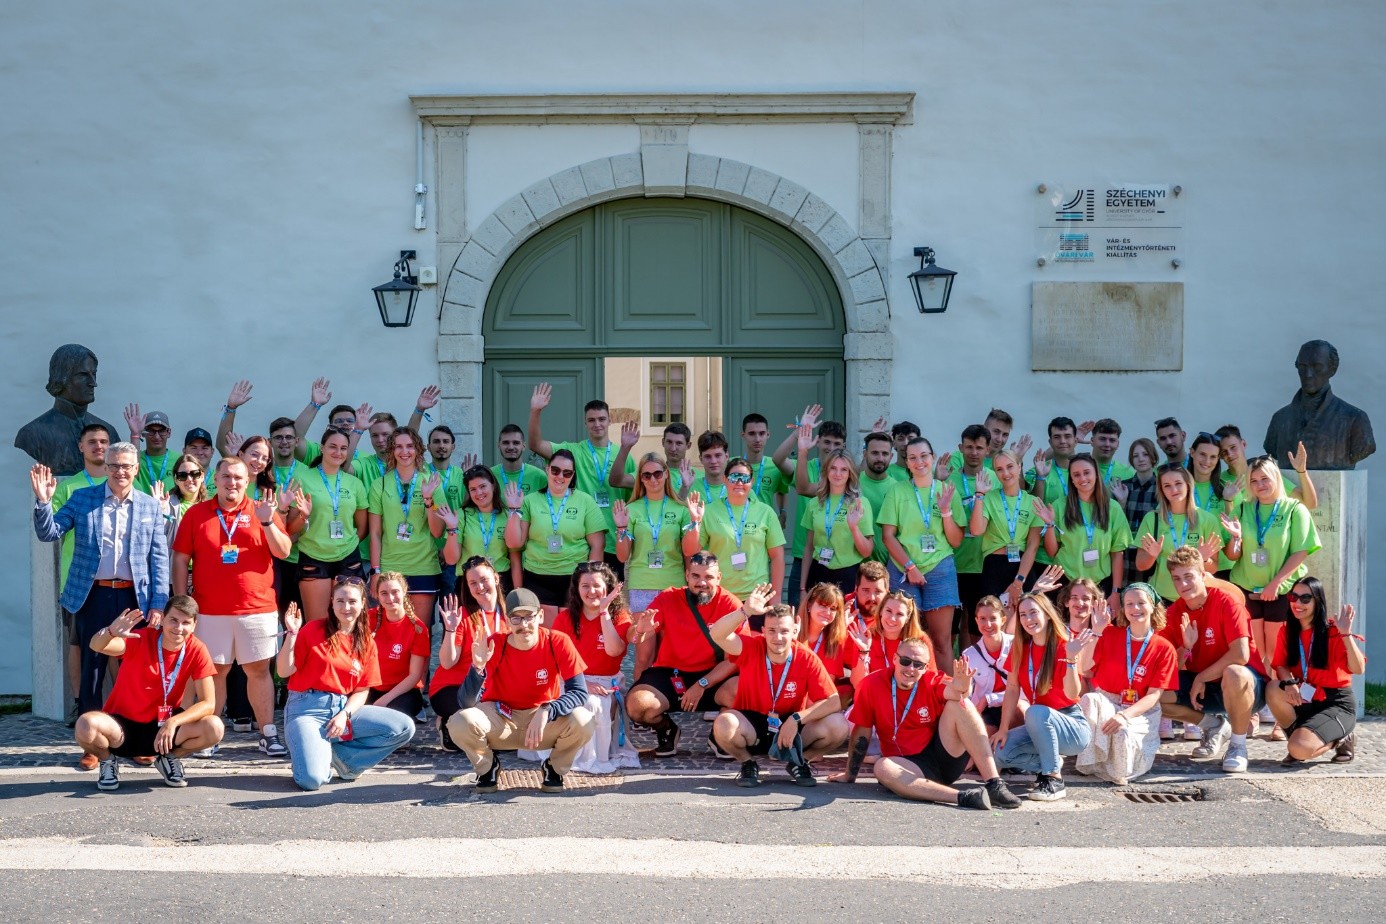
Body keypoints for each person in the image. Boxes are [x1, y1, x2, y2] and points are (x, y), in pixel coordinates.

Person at [32, 443, 169, 769]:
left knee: (135, 672)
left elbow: (159, 558)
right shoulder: (83, 499)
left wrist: (159, 603)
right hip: (93, 596)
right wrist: (43, 502)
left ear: (136, 469)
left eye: (127, 466)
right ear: (105, 467)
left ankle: (137, 740)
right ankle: (92, 744)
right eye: (114, 465)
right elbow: (49, 533)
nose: (121, 471)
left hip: (134, 599)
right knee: (92, 670)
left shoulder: (150, 506)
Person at [171, 456, 290, 757]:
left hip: (256, 607)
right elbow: (180, 558)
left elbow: (284, 552)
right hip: (210, 609)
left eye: (238, 477)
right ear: (215, 480)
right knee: (215, 672)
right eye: (226, 476)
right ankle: (210, 734)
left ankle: (267, 733)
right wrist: (182, 602)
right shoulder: (197, 513)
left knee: (258, 670)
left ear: (247, 481)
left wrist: (267, 521)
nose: (232, 482)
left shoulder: (262, 510)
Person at [829, 636, 1022, 809]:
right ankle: (965, 797)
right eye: (905, 661)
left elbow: (953, 691)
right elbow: (862, 733)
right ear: (895, 659)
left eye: (918, 665)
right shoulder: (871, 684)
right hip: (907, 765)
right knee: (882, 767)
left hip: (944, 756)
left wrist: (962, 688)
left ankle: (994, 784)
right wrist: (850, 774)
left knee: (961, 704)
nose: (911, 669)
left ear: (926, 667)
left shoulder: (932, 680)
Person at [448, 587, 595, 793]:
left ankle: (554, 768)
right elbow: (466, 703)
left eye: (529, 617)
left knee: (584, 720)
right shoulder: (494, 644)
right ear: (508, 621)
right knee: (459, 721)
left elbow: (579, 693)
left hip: (542, 723)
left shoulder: (557, 641)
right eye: (516, 618)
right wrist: (477, 667)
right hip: (502, 719)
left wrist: (548, 709)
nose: (523, 625)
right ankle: (488, 768)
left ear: (540, 616)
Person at [74, 596, 222, 791]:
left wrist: (173, 722)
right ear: (163, 619)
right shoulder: (141, 637)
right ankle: (108, 761)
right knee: (85, 725)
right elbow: (96, 645)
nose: (179, 628)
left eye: (186, 622)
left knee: (214, 727)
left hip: (163, 730)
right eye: (173, 620)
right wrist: (110, 632)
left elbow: (208, 703)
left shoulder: (197, 649)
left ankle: (169, 759)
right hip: (122, 727)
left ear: (194, 625)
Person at [278, 586, 415, 790]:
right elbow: (283, 671)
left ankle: (345, 761)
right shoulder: (313, 629)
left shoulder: (366, 642)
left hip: (342, 709)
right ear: (332, 603)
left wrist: (344, 715)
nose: (346, 607)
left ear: (362, 604)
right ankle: (315, 753)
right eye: (340, 601)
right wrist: (292, 634)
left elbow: (361, 690)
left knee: (403, 727)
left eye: (352, 601)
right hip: (306, 710)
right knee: (312, 780)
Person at [1222, 454, 1321, 736]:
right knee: (1254, 653)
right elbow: (1232, 555)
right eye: (1254, 481)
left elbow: (1301, 550)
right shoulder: (1244, 508)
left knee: (1280, 654)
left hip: (1283, 589)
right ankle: (1252, 709)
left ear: (1276, 478)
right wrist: (1236, 539)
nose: (1260, 485)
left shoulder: (1294, 509)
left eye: (1265, 479)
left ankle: (1283, 714)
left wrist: (1276, 583)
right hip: (1247, 587)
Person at [709, 592, 849, 787]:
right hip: (753, 722)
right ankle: (748, 763)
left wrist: (796, 719)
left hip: (792, 724)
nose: (778, 637)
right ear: (763, 631)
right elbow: (717, 634)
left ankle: (800, 762)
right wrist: (744, 611)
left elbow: (833, 702)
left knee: (839, 725)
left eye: (784, 631)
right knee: (724, 724)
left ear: (794, 631)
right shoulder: (752, 647)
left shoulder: (806, 657)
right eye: (772, 631)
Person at [1160, 546, 1269, 773]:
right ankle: (1214, 725)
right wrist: (1186, 648)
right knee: (1152, 693)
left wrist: (1201, 677)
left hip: (1247, 686)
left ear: (1202, 575)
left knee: (1234, 672)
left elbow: (1240, 655)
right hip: (1204, 690)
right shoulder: (1173, 613)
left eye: (1188, 576)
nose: (1183, 584)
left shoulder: (1227, 602)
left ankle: (1237, 746)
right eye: (1177, 578)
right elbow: (1167, 669)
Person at [625, 552, 744, 757]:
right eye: (696, 576)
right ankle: (667, 729)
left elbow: (735, 660)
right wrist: (639, 630)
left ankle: (720, 734)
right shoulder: (668, 597)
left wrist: (702, 684)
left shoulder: (731, 605)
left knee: (746, 692)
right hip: (672, 674)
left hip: (713, 676)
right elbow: (633, 637)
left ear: (719, 578)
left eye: (708, 577)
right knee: (638, 705)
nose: (702, 583)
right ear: (687, 576)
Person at [1073, 583, 1178, 784]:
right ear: (1123, 608)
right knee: (1090, 699)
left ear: (1153, 606)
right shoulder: (1109, 633)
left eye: (1141, 603)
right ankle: (1094, 761)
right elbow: (1085, 668)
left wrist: (1124, 715)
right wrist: (1096, 631)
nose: (1135, 608)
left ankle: (1119, 762)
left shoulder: (1164, 648)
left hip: (1140, 710)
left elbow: (1154, 696)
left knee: (1122, 744)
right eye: (1129, 603)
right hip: (1108, 700)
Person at [994, 592, 1091, 801]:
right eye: (1023, 615)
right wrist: (1003, 729)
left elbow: (1073, 694)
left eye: (1033, 612)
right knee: (1000, 753)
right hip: (1038, 723)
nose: (1028, 619)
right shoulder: (1020, 648)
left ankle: (1054, 780)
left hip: (1071, 724)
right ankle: (1050, 762)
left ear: (1047, 614)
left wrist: (1072, 659)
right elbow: (1012, 689)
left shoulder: (1065, 645)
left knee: (1034, 712)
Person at [526, 384, 634, 571]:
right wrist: (536, 411)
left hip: (613, 540)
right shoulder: (573, 450)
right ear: (585, 423)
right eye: (591, 420)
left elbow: (632, 499)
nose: (597, 424)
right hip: (581, 541)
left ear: (610, 421)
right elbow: (535, 444)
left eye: (602, 419)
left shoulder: (624, 455)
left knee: (612, 590)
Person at [879, 436, 965, 663]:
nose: (919, 462)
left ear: (933, 457)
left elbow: (956, 541)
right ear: (907, 462)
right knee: (905, 639)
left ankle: (946, 687)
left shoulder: (947, 490)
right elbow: (888, 536)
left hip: (939, 568)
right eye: (913, 458)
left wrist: (946, 512)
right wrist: (910, 567)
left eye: (924, 456)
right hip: (903, 569)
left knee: (941, 642)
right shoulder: (897, 491)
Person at [551, 563, 640, 773]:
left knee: (593, 703)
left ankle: (595, 757)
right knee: (586, 701)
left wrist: (603, 612)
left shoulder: (619, 617)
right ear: (577, 588)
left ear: (607, 588)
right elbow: (555, 661)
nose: (591, 591)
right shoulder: (565, 618)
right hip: (571, 680)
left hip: (606, 682)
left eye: (597, 585)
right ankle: (576, 756)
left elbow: (614, 651)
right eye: (585, 586)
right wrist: (583, 684)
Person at [1266, 577, 1364, 765]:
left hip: (1336, 702)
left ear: (1317, 601)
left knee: (1299, 748)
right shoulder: (1287, 630)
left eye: (1305, 598)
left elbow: (1358, 669)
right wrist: (1289, 683)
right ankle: (1300, 740)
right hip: (1306, 695)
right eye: (1293, 597)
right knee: (1273, 688)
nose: (1298, 603)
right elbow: (1281, 665)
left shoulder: (1333, 631)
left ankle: (1342, 738)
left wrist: (1346, 634)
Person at [49, 424, 110, 723]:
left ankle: (120, 705)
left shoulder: (122, 482)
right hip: (79, 582)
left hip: (118, 580)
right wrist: (42, 501)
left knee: (121, 645)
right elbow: (50, 528)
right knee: (79, 645)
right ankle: (79, 703)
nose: (99, 446)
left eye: (104, 441)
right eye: (92, 441)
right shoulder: (68, 487)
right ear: (81, 447)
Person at [504, 448, 605, 615]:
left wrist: (591, 580)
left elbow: (597, 545)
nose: (560, 476)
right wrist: (514, 509)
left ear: (573, 475)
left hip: (574, 577)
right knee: (544, 629)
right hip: (537, 576)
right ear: (547, 469)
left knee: (569, 628)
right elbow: (514, 543)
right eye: (555, 470)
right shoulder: (530, 501)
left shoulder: (585, 501)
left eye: (567, 473)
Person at [368, 426, 444, 620]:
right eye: (398, 446)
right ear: (391, 450)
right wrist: (375, 571)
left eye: (410, 446)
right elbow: (375, 533)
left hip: (423, 566)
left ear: (418, 449)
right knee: (391, 630)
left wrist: (428, 500)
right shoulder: (379, 484)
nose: (404, 451)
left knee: (420, 630)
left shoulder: (431, 481)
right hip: (390, 567)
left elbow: (437, 532)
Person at [1263, 339, 1376, 470]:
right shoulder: (1279, 419)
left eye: (1317, 367)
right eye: (1303, 367)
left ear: (1332, 369)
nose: (1308, 374)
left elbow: (1364, 448)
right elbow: (1271, 448)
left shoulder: (1354, 419)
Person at [431, 559, 507, 750]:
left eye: (484, 579)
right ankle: (448, 724)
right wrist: (450, 630)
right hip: (454, 688)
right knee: (480, 716)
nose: (480, 587)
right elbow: (447, 663)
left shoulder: (510, 615)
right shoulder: (462, 615)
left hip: (491, 690)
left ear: (496, 578)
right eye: (473, 583)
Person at [613, 452, 702, 614]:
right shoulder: (631, 509)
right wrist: (621, 529)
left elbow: (689, 551)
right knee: (644, 631)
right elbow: (622, 556)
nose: (653, 479)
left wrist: (695, 521)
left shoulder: (681, 509)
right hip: (641, 584)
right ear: (641, 478)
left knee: (673, 631)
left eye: (658, 474)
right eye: (647, 475)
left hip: (673, 584)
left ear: (666, 474)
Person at [1035, 452, 1131, 600]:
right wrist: (1049, 525)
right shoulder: (1059, 506)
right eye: (1076, 475)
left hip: (1101, 584)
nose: (1083, 478)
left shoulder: (1113, 508)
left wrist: (1116, 592)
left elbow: (1117, 553)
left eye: (1087, 472)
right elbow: (1052, 552)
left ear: (1096, 474)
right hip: (1066, 582)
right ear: (1072, 480)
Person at [298, 427, 369, 620]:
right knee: (317, 624)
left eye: (343, 448)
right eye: (332, 447)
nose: (338, 452)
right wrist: (303, 516)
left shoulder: (354, 483)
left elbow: (362, 528)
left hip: (348, 557)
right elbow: (291, 527)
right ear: (321, 448)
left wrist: (344, 544)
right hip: (313, 556)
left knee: (350, 622)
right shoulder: (303, 478)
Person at [699, 456, 786, 605]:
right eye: (734, 477)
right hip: (720, 594)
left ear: (751, 481)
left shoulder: (766, 512)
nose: (739, 482)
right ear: (725, 479)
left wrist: (776, 596)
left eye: (744, 478)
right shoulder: (709, 511)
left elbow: (777, 557)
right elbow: (693, 552)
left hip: (757, 595)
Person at [799, 437, 876, 596]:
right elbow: (808, 547)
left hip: (848, 574)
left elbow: (867, 552)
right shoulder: (814, 503)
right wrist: (802, 588)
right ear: (826, 471)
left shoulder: (860, 503)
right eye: (833, 468)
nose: (838, 474)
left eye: (844, 470)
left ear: (850, 474)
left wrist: (854, 528)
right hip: (818, 571)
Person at [1134, 463, 1219, 604]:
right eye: (1167, 486)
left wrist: (1203, 560)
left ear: (1188, 484)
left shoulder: (1208, 520)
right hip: (1161, 598)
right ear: (1161, 490)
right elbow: (1140, 565)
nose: (1173, 489)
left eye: (1178, 483)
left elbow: (1214, 568)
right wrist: (1152, 555)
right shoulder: (1152, 519)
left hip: (1195, 598)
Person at [968, 450, 1044, 602]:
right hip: (994, 566)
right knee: (994, 614)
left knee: (1023, 613)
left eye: (1010, 467)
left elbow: (1032, 546)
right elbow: (976, 530)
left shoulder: (1034, 502)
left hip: (1022, 568)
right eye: (999, 469)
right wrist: (979, 495)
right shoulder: (988, 498)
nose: (1006, 473)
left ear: (1019, 466)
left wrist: (1019, 580)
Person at [941, 424, 990, 647]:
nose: (974, 452)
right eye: (969, 447)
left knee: (978, 627)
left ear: (987, 450)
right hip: (953, 561)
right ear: (960, 448)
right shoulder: (948, 479)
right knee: (951, 627)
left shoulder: (994, 479)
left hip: (983, 563)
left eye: (979, 448)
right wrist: (939, 480)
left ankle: (974, 668)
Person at [365, 571, 431, 717]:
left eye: (395, 592)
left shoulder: (418, 628)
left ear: (404, 591)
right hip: (371, 687)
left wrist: (384, 700)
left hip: (403, 691)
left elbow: (414, 675)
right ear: (377, 595)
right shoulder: (368, 618)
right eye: (384, 593)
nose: (390, 598)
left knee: (389, 718)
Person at [799, 582, 871, 708]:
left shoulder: (834, 642)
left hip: (811, 707)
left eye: (833, 609)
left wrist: (802, 715)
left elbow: (823, 689)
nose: (827, 612)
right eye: (823, 605)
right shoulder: (790, 631)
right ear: (809, 605)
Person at [456, 464, 521, 594]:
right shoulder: (462, 514)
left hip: (500, 580)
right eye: (473, 489)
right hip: (469, 580)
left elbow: (515, 559)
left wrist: (518, 592)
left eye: (483, 486)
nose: (479, 493)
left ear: (493, 486)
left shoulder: (508, 515)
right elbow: (451, 559)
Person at [961, 595, 1020, 732]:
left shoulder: (1016, 645)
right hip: (985, 710)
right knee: (984, 732)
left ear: (1003, 620)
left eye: (993, 618)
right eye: (982, 619)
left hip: (1014, 703)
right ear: (976, 621)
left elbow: (1024, 689)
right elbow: (967, 695)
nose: (988, 624)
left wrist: (990, 699)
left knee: (1019, 710)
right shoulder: (969, 655)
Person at [1117, 437, 1160, 584]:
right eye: (1136, 456)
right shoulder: (1123, 487)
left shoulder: (1162, 488)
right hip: (1126, 554)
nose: (1141, 459)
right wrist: (1122, 503)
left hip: (1151, 552)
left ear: (1153, 457)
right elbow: (1116, 524)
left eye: (1145, 454)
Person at [857, 431, 898, 563]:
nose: (880, 458)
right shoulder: (852, 484)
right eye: (875, 453)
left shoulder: (897, 489)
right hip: (854, 563)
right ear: (865, 454)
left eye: (885, 453)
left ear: (891, 456)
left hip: (888, 564)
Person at [740, 413, 791, 515]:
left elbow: (782, 491)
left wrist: (783, 512)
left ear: (768, 435)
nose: (757, 439)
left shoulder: (776, 465)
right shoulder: (732, 466)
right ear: (743, 435)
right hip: (737, 521)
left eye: (761, 433)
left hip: (765, 522)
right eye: (751, 434)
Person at [121, 406, 177, 496]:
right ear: (143, 433)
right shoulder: (136, 458)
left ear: (168, 432)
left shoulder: (179, 460)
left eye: (161, 431)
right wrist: (135, 434)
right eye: (151, 431)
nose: (156, 436)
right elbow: (131, 476)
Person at [868, 591, 928, 672]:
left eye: (899, 614)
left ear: (907, 618)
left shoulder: (920, 640)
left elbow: (929, 675)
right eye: (889, 611)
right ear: (881, 611)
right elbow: (858, 679)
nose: (892, 618)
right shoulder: (867, 637)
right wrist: (863, 652)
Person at [492, 423, 548, 499]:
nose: (511, 447)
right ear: (498, 445)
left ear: (524, 446)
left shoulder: (539, 476)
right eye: (506, 443)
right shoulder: (490, 476)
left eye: (516, 443)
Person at [1087, 419, 1135, 486]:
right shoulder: (1078, 468)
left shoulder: (1128, 473)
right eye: (1102, 439)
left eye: (1112, 440)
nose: (1107, 444)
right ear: (1092, 441)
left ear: (1117, 444)